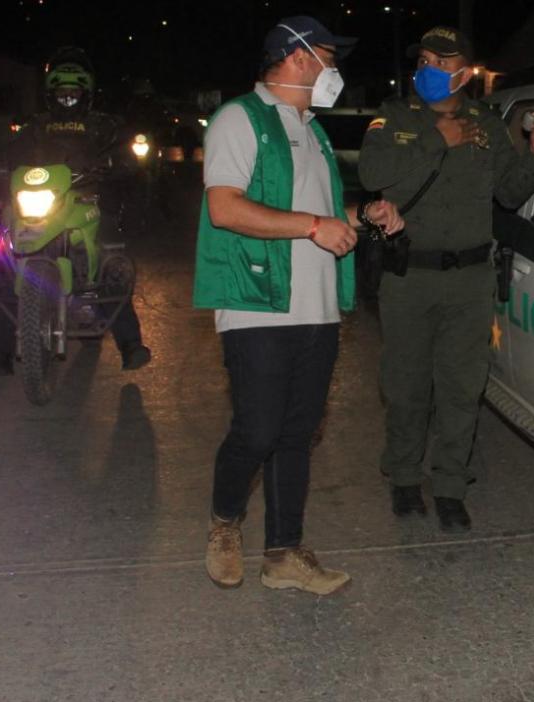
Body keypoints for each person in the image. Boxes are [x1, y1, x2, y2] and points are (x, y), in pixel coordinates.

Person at [195, 16, 403, 595]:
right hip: (258, 303)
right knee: (257, 430)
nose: (335, 70)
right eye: (329, 57)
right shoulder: (240, 119)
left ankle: (283, 554)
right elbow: (226, 209)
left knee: (298, 431)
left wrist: (364, 215)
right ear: (298, 56)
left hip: (316, 307)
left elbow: (321, 214)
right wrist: (314, 226)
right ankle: (224, 522)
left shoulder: (310, 129)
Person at [359, 26, 534, 532]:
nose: (427, 68)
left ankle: (450, 484)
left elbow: (511, 193)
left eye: (439, 62)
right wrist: (434, 139)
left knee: (461, 387)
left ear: (465, 73)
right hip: (409, 277)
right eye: (423, 59)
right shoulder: (395, 117)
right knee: (405, 385)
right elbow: (373, 174)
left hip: (469, 279)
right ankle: (403, 477)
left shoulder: (487, 125)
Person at [0, 49, 151, 375]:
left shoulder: (103, 125)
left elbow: (127, 153)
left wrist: (116, 162)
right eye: (62, 92)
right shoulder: (36, 127)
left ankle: (131, 345)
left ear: (86, 93)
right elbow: (8, 153)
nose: (67, 97)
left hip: (86, 202)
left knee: (110, 265)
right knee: (8, 263)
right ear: (50, 93)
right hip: (39, 202)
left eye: (74, 92)